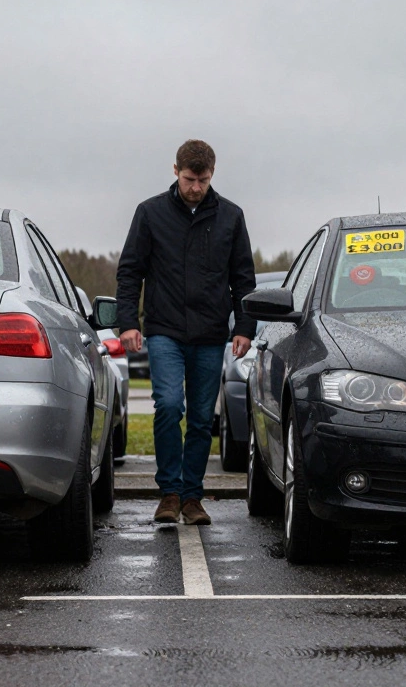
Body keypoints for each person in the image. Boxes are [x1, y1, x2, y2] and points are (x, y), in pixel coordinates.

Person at [116, 140, 257, 525]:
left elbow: (243, 278)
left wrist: (244, 327)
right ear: (175, 171)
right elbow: (130, 272)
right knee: (167, 405)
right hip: (164, 330)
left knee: (200, 418)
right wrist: (128, 322)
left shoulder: (231, 217)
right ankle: (169, 493)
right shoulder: (150, 213)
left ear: (213, 174)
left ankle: (192, 497)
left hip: (210, 334)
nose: (196, 187)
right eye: (190, 179)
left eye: (203, 180)